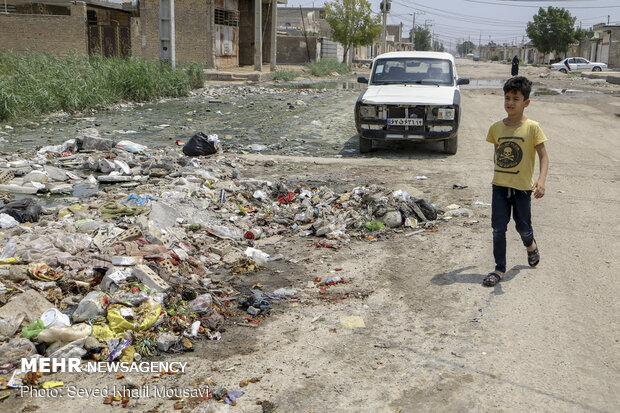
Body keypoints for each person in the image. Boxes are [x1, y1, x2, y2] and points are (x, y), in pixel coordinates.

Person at [484, 76, 549, 287]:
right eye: (507, 98)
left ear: (526, 102)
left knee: (523, 227)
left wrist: (541, 180)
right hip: (500, 187)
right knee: (498, 228)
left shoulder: (532, 127)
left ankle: (530, 246)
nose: (510, 103)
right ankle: (499, 269)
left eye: (516, 99)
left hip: (522, 188)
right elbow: (497, 153)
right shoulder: (496, 128)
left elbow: (543, 156)